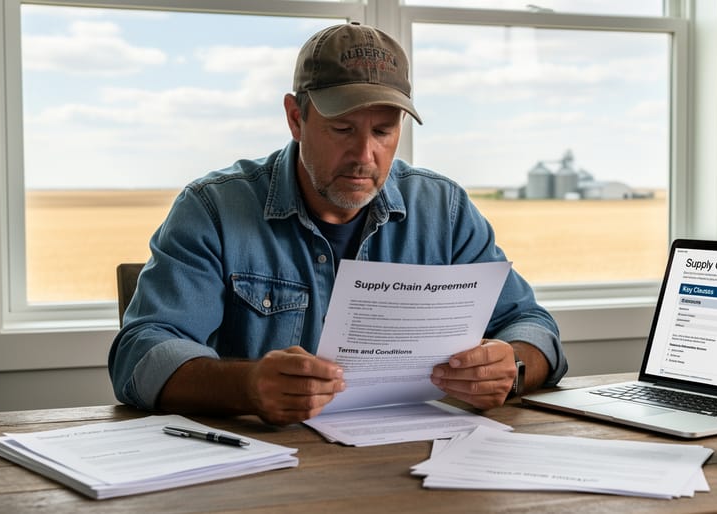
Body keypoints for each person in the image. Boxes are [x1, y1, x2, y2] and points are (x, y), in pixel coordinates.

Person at [108, 22, 568, 426]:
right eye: (343, 129)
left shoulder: (443, 209)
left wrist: (512, 367)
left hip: (414, 461)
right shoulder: (212, 210)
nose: (365, 156)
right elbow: (140, 352)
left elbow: (531, 325)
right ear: (295, 118)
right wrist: (247, 386)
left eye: (383, 131)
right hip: (262, 477)